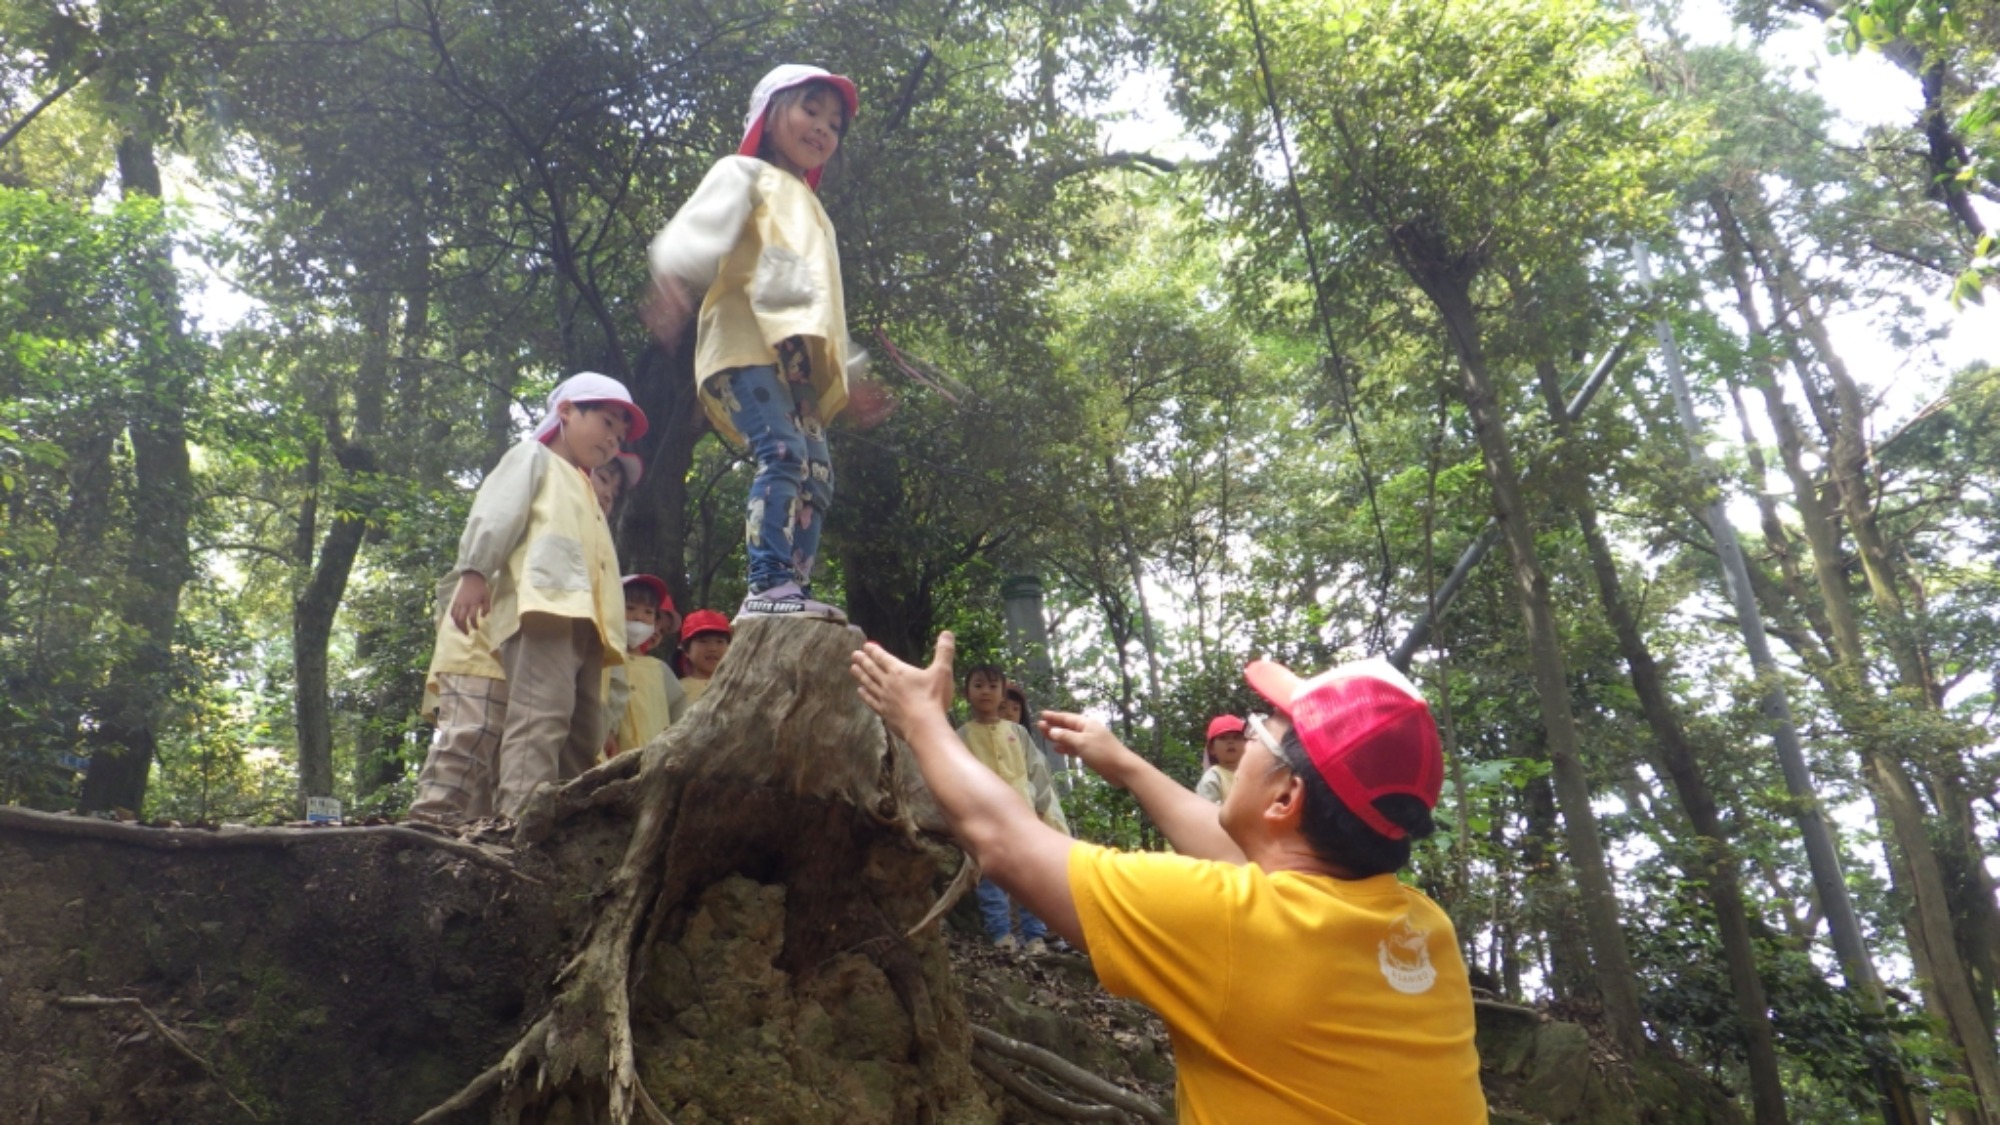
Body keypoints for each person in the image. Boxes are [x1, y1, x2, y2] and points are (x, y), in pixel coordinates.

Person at [851, 636, 1488, 1123]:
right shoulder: (1423, 930)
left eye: (1262, 730)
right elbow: (1249, 854)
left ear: (1285, 796)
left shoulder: (1227, 922)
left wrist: (921, 719)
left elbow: (1007, 843)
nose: (1247, 736)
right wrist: (1126, 764)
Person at [647, 64, 882, 622]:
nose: (824, 128)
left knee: (817, 473)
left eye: (835, 124)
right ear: (770, 112)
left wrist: (850, 370)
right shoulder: (744, 173)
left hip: (797, 364)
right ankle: (767, 585)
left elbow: (821, 301)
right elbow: (697, 230)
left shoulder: (814, 210)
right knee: (781, 452)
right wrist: (673, 278)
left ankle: (792, 590)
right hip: (745, 348)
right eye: (811, 109)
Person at [445, 372, 644, 819]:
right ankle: (517, 827)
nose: (613, 439)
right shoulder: (534, 457)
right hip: (544, 610)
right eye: (607, 422)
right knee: (539, 719)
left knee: (582, 733)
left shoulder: (588, 490)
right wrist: (475, 570)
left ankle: (564, 830)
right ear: (567, 411)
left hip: (589, 625)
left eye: (621, 433)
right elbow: (497, 510)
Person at [958, 664, 1064, 954]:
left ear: (1002, 692)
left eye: (993, 687)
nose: (985, 692)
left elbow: (1037, 772)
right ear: (966, 693)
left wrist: (1043, 810)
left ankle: (1035, 936)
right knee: (990, 879)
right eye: (978, 685)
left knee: (1030, 877)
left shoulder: (1017, 733)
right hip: (983, 821)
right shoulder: (962, 736)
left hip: (1023, 818)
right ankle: (1001, 934)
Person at [609, 574, 687, 754]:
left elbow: (680, 712)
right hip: (609, 761)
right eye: (630, 608)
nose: (639, 617)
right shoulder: (603, 661)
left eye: (648, 612)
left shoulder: (660, 669)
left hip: (656, 760)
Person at [678, 609, 733, 705]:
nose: (713, 648)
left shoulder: (736, 687)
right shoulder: (676, 689)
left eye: (720, 642)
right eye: (703, 641)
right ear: (687, 650)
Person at [1195, 715, 1246, 805]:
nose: (1230, 742)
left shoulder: (1253, 774)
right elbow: (1208, 811)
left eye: (1237, 737)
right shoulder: (1213, 777)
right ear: (1212, 749)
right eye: (1223, 738)